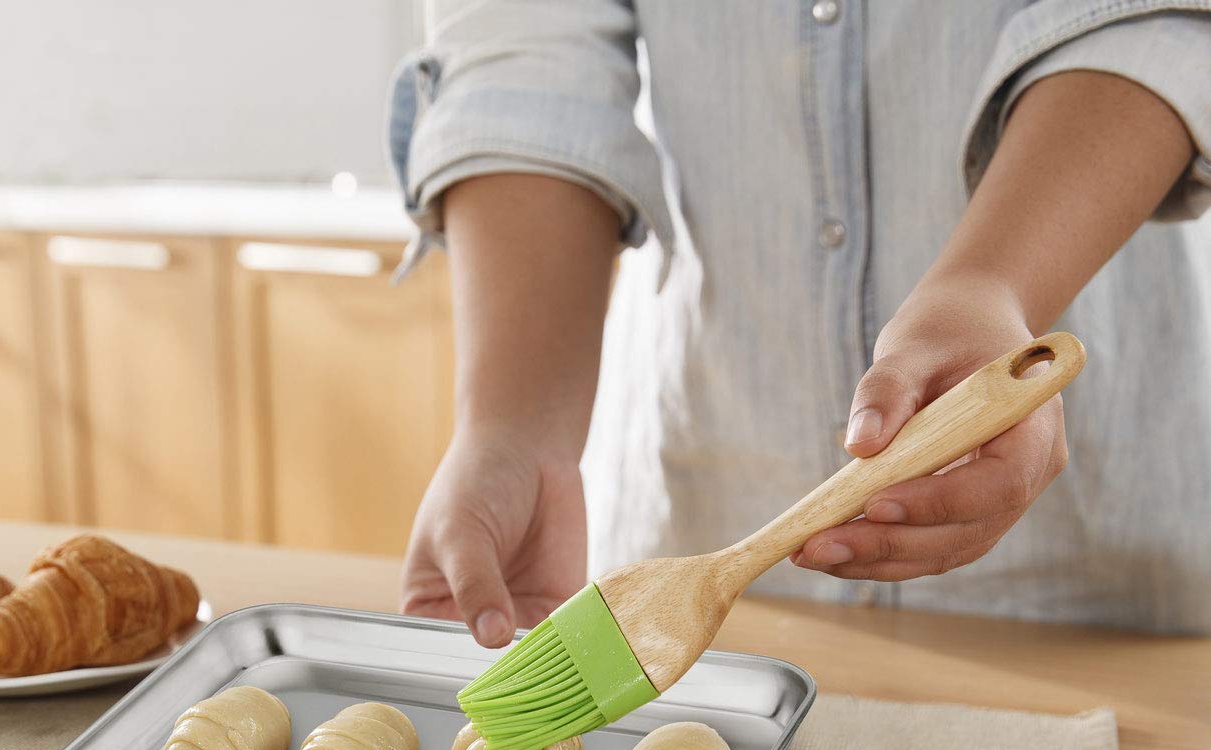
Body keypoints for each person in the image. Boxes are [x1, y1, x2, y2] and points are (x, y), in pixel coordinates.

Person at [387, 1, 1211, 645]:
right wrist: (514, 426)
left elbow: (1152, 15)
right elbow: (528, 55)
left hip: (1094, 581)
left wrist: (995, 283)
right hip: (700, 495)